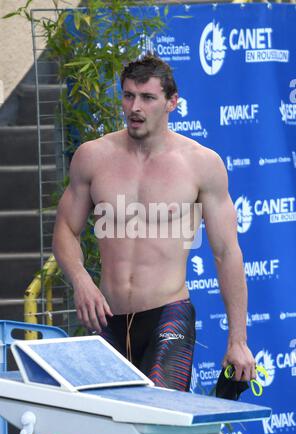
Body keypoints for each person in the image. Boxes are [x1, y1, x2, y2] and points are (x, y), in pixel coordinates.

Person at [52, 53, 256, 392]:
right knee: (107, 426)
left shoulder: (201, 165)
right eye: (129, 95)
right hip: (106, 316)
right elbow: (66, 229)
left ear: (172, 102)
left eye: (148, 97)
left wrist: (238, 340)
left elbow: (226, 253)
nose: (135, 106)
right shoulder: (93, 157)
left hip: (167, 316)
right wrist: (80, 279)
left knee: (157, 419)